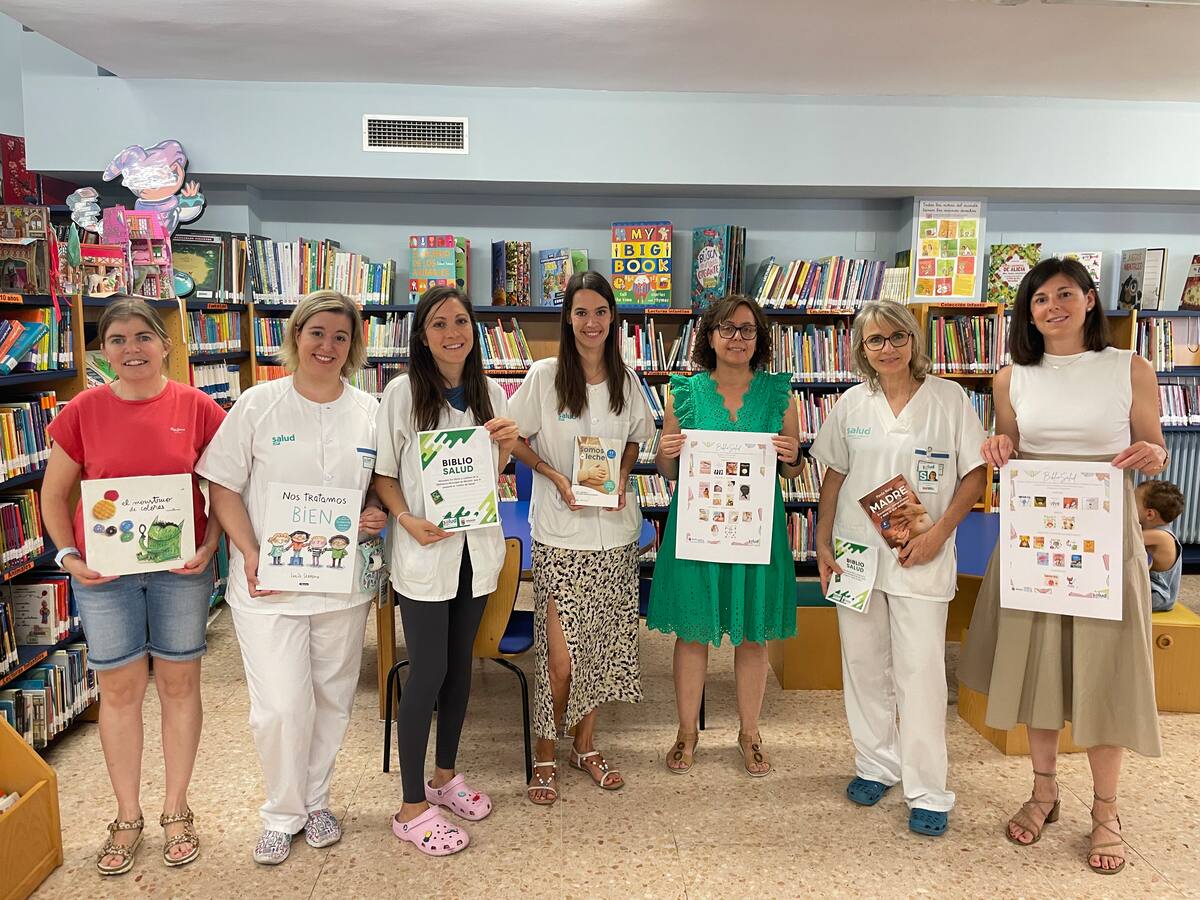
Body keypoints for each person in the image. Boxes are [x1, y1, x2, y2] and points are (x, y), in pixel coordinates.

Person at [959, 257, 1167, 875]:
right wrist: (998, 447)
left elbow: (1154, 449)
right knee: (1039, 668)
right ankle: (1044, 790)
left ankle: (1106, 810)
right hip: (1037, 542)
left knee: (1108, 672)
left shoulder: (1129, 368)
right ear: (1027, 311)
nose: (1053, 307)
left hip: (1105, 538)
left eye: (1065, 295)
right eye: (1040, 298)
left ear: (1089, 300)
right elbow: (1008, 447)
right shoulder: (1010, 378)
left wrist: (1150, 452)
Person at [196, 290, 387, 865]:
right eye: (317, 333)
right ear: (296, 337)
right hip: (269, 586)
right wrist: (249, 552)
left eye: (341, 336)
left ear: (353, 347)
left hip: (341, 583)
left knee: (331, 697)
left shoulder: (371, 411)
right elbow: (222, 485)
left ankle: (317, 800)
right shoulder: (258, 404)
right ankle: (281, 812)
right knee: (280, 706)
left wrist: (375, 513)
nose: (327, 346)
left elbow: (381, 483)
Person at [39, 297, 226, 875]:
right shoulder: (82, 410)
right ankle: (126, 815)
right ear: (102, 351)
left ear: (165, 343)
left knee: (178, 684)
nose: (131, 349)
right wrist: (67, 555)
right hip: (104, 576)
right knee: (118, 693)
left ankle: (176, 809)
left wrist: (211, 541)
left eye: (142, 336)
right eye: (116, 339)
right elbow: (53, 494)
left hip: (181, 572)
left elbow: (222, 487)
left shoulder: (197, 408)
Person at [811, 300, 987, 838]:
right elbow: (834, 480)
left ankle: (928, 788)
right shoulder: (850, 404)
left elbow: (975, 477)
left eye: (896, 337)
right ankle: (875, 764)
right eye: (874, 341)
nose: (887, 348)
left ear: (913, 339)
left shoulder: (949, 398)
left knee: (921, 673)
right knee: (863, 665)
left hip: (922, 554)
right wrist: (821, 545)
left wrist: (937, 536)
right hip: (857, 553)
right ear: (861, 350)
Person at [373, 286, 520, 857]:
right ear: (421, 334)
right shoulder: (402, 394)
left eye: (461, 321)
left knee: (460, 669)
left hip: (474, 552)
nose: (452, 332)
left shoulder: (491, 393)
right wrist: (405, 518)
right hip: (425, 552)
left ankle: (444, 777)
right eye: (439, 323)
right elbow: (385, 475)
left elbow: (486, 477)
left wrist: (505, 450)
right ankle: (411, 808)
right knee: (428, 671)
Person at [509, 271, 654, 805]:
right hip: (561, 534)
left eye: (600, 312)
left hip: (615, 536)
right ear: (567, 319)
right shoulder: (544, 377)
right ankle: (545, 749)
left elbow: (638, 441)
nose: (591, 323)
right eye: (580, 313)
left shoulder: (628, 379)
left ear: (612, 318)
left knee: (599, 650)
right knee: (561, 657)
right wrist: (554, 476)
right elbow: (514, 437)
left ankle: (584, 746)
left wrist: (622, 476)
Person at [646, 294, 801, 776]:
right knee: (693, 635)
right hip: (698, 531)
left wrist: (792, 456)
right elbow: (669, 472)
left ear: (760, 338)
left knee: (753, 636)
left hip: (756, 531)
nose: (738, 338)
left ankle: (749, 732)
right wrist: (666, 449)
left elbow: (792, 472)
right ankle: (686, 732)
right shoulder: (684, 393)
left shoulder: (779, 394)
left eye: (748, 330)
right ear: (709, 336)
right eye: (728, 329)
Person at [1135, 479, 1185, 612]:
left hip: (1159, 596)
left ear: (1150, 514)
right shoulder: (1153, 531)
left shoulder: (1161, 536)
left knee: (1117, 600)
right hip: (1149, 589)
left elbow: (1126, 538)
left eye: (1133, 503)